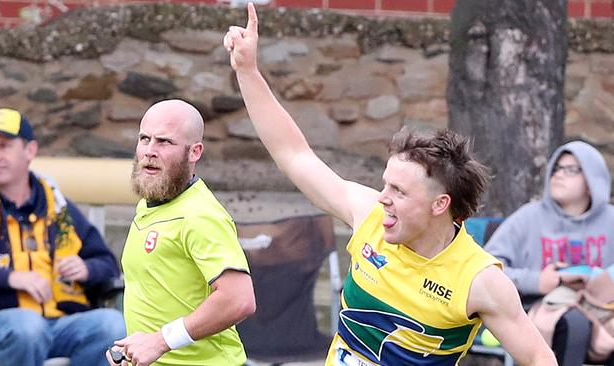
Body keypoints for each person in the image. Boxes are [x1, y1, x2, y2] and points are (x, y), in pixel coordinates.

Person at [223, 4, 556, 365]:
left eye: (399, 191)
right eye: (386, 185)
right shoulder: (370, 216)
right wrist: (248, 71)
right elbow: (294, 155)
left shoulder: (479, 280)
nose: (383, 199)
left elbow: (540, 358)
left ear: (440, 204)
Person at [0, 108, 125, 365]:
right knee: (28, 327)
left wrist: (86, 268)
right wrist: (10, 278)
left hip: (59, 321)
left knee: (112, 324)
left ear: (30, 151)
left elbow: (106, 263)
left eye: (4, 146)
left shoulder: (58, 208)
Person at [107, 99, 256, 366]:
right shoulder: (152, 201)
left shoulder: (200, 214)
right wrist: (133, 350)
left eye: (165, 142)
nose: (149, 151)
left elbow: (239, 299)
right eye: (144, 139)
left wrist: (160, 341)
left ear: (194, 152)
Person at [486, 141, 614, 365]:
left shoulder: (610, 220)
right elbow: (486, 268)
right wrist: (537, 281)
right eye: (556, 168)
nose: (559, 175)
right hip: (541, 306)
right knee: (574, 324)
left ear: (592, 181)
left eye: (571, 169)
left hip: (601, 306)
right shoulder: (528, 217)